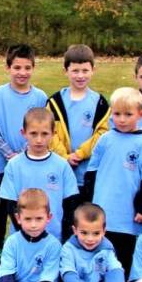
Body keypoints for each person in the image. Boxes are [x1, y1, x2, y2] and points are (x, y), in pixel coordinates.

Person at [0, 44, 48, 261]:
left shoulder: (39, 96)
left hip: (30, 164)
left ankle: (25, 246)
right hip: (2, 164)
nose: (22, 72)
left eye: (27, 67)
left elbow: (43, 126)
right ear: (8, 68)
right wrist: (9, 153)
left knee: (24, 206)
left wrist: (26, 152)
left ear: (33, 68)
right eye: (17, 67)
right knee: (0, 207)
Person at [84, 87, 142, 274]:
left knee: (125, 259)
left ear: (141, 114)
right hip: (103, 212)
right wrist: (88, 202)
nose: (122, 119)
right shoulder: (105, 139)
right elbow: (91, 172)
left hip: (129, 216)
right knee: (101, 257)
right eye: (117, 114)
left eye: (128, 114)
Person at [0, 108, 79, 242]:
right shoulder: (14, 165)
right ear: (23, 133)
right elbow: (11, 204)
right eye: (33, 134)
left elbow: (70, 204)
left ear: (53, 134)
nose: (39, 140)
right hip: (21, 239)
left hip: (54, 238)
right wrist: (23, 233)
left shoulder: (62, 165)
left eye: (44, 134)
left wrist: (66, 236)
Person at [47, 44, 110, 194]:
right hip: (61, 171)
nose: (80, 76)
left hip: (88, 173)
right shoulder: (55, 102)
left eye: (85, 71)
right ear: (65, 71)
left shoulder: (100, 103)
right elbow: (49, 132)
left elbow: (102, 133)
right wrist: (65, 156)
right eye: (75, 71)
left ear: (93, 70)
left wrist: (80, 154)